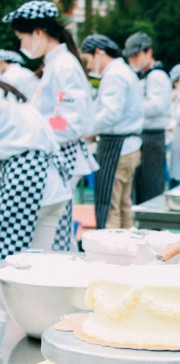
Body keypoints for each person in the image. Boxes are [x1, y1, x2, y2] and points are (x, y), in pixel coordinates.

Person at [3, 0, 97, 251]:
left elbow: (73, 120)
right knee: (57, 234)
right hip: (55, 153)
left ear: (38, 33)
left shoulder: (64, 66)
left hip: (60, 153)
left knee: (57, 236)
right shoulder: (56, 63)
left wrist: (37, 126)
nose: (21, 45)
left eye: (22, 38)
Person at [0, 82, 71, 259]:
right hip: (51, 181)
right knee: (39, 262)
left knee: (10, 261)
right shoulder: (8, 94)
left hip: (26, 180)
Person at [81, 34, 143, 230]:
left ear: (99, 52)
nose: (89, 66)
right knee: (124, 205)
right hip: (129, 146)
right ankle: (127, 251)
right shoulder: (125, 71)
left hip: (117, 148)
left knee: (109, 206)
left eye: (88, 60)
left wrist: (85, 131)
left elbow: (110, 114)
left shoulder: (114, 74)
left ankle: (110, 251)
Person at [122, 31, 172, 204]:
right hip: (145, 135)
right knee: (142, 184)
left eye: (136, 55)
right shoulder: (145, 75)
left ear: (148, 52)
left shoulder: (157, 75)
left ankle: (152, 226)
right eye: (130, 57)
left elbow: (157, 106)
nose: (133, 60)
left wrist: (131, 106)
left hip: (152, 135)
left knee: (150, 184)